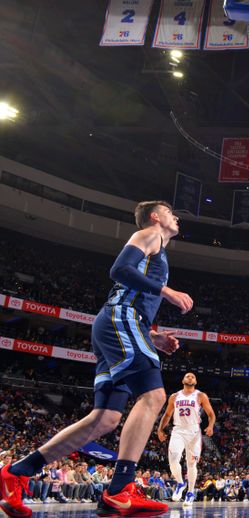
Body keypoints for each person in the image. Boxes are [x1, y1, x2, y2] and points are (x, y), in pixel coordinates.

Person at [0, 201, 192, 518]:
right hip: (121, 319)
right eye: (171, 211)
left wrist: (153, 337)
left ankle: (17, 472)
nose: (177, 215)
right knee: (155, 395)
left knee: (105, 418)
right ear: (156, 217)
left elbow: (132, 293)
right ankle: (119, 489)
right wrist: (167, 291)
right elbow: (119, 270)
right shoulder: (151, 233)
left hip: (123, 323)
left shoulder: (158, 247)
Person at [156, 372, 216, 507]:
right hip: (178, 430)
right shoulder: (174, 396)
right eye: (188, 376)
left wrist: (211, 426)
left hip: (194, 431)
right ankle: (180, 483)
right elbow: (167, 415)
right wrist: (160, 429)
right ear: (183, 380)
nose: (190, 377)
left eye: (193, 376)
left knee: (191, 464)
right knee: (173, 460)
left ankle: (190, 493)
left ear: (196, 381)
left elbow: (211, 414)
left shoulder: (200, 395)